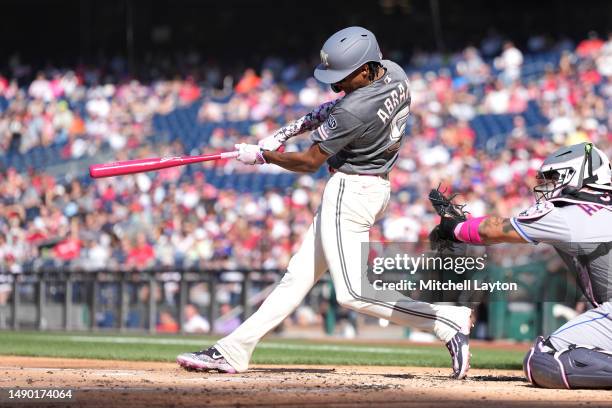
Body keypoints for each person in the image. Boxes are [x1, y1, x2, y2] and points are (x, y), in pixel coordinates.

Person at [176, 26, 472, 379]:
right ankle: (233, 350)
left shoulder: (355, 109)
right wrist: (285, 133)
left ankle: (446, 320)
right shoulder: (394, 71)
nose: (336, 85)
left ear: (365, 69)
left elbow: (309, 162)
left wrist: (263, 156)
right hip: (372, 187)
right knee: (297, 278)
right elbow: (332, 107)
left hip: (350, 191)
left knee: (352, 293)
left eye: (343, 78)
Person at [430, 142, 612, 389]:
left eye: (554, 178)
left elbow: (496, 231)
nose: (549, 185)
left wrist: (455, 228)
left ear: (575, 174)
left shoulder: (569, 213)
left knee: (543, 359)